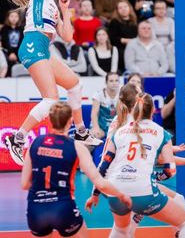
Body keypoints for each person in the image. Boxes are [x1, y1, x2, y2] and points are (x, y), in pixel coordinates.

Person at [5, 0, 101, 166]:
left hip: (43, 48)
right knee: (51, 99)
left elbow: (68, 37)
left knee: (75, 85)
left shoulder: (55, 6)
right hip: (32, 44)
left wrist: (66, 12)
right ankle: (17, 137)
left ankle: (80, 131)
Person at [90, 92, 185, 238]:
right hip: (143, 191)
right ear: (153, 110)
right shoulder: (160, 132)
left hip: (115, 190)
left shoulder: (120, 131)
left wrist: (95, 194)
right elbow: (170, 171)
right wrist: (154, 177)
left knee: (121, 231)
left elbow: (102, 167)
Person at [21, 102, 131, 238]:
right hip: (62, 208)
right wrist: (121, 195)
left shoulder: (35, 143)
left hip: (36, 209)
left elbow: (24, 184)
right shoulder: (76, 146)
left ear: (50, 120)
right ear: (70, 121)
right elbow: (100, 183)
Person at [90, 72, 120, 163]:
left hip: (116, 128)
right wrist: (96, 128)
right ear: (106, 82)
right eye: (111, 81)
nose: (114, 83)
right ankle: (86, 163)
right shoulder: (99, 94)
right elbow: (94, 114)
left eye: (116, 80)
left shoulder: (122, 95)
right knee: (89, 139)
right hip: (102, 127)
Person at [109, 0, 138, 71]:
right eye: (120, 8)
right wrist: (128, 41)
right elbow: (113, 38)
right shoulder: (114, 22)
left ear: (129, 8)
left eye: (125, 6)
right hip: (120, 48)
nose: (123, 9)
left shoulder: (135, 21)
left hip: (135, 46)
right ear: (117, 11)